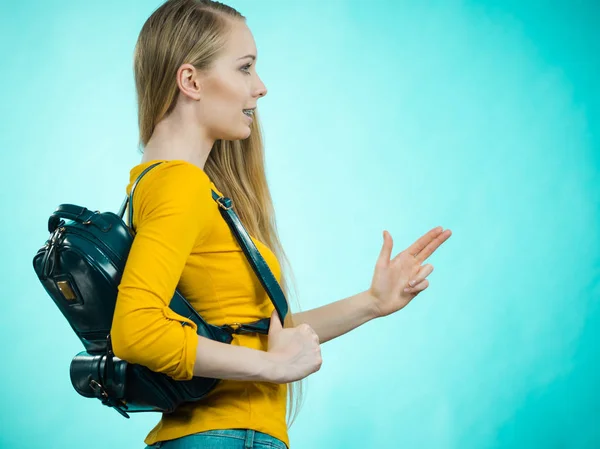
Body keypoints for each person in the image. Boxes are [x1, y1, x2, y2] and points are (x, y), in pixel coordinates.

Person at [110, 1, 452, 448]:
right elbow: (135, 331)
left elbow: (263, 334)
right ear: (191, 80)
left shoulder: (175, 186)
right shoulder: (180, 185)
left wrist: (372, 302)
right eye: (246, 68)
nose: (261, 87)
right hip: (224, 437)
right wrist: (273, 368)